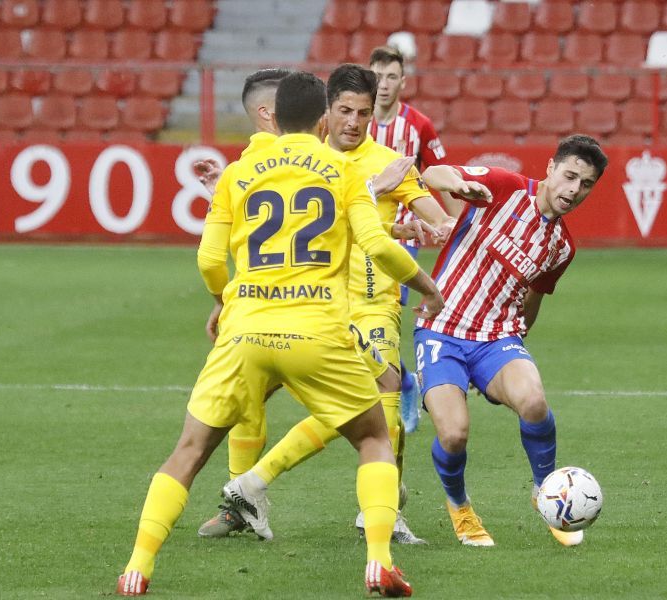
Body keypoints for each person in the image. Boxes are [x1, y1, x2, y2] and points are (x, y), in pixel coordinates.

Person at [116, 70, 442, 597]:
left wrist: (225, 300)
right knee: (374, 437)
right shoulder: (342, 171)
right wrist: (426, 287)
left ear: (274, 115)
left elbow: (207, 260)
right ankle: (378, 561)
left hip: (246, 329)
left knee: (188, 450)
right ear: (322, 120)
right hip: (316, 332)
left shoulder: (238, 174)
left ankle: (138, 567)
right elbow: (380, 247)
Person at [196, 65, 452, 545]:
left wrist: (435, 224)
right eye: (343, 111)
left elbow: (434, 219)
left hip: (371, 305)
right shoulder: (292, 161)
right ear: (324, 114)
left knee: (384, 392)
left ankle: (380, 512)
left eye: (362, 112)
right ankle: (240, 502)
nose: (353, 122)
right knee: (250, 400)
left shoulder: (389, 162)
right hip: (300, 304)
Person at [415, 134, 608, 548]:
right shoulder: (503, 186)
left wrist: (517, 345)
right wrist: (456, 184)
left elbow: (534, 298)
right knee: (454, 435)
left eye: (586, 184)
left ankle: (547, 494)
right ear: (551, 168)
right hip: (441, 329)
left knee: (534, 401)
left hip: (496, 338)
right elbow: (431, 171)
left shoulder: (562, 247)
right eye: (570, 176)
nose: (573, 190)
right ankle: (460, 508)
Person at [368, 45, 451, 433]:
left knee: (388, 313)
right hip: (357, 230)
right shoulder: (353, 122)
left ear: (404, 81)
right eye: (377, 76)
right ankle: (402, 377)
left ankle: (394, 384)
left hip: (405, 232)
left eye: (390, 77)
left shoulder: (418, 125)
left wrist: (451, 222)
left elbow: (439, 176)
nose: (383, 85)